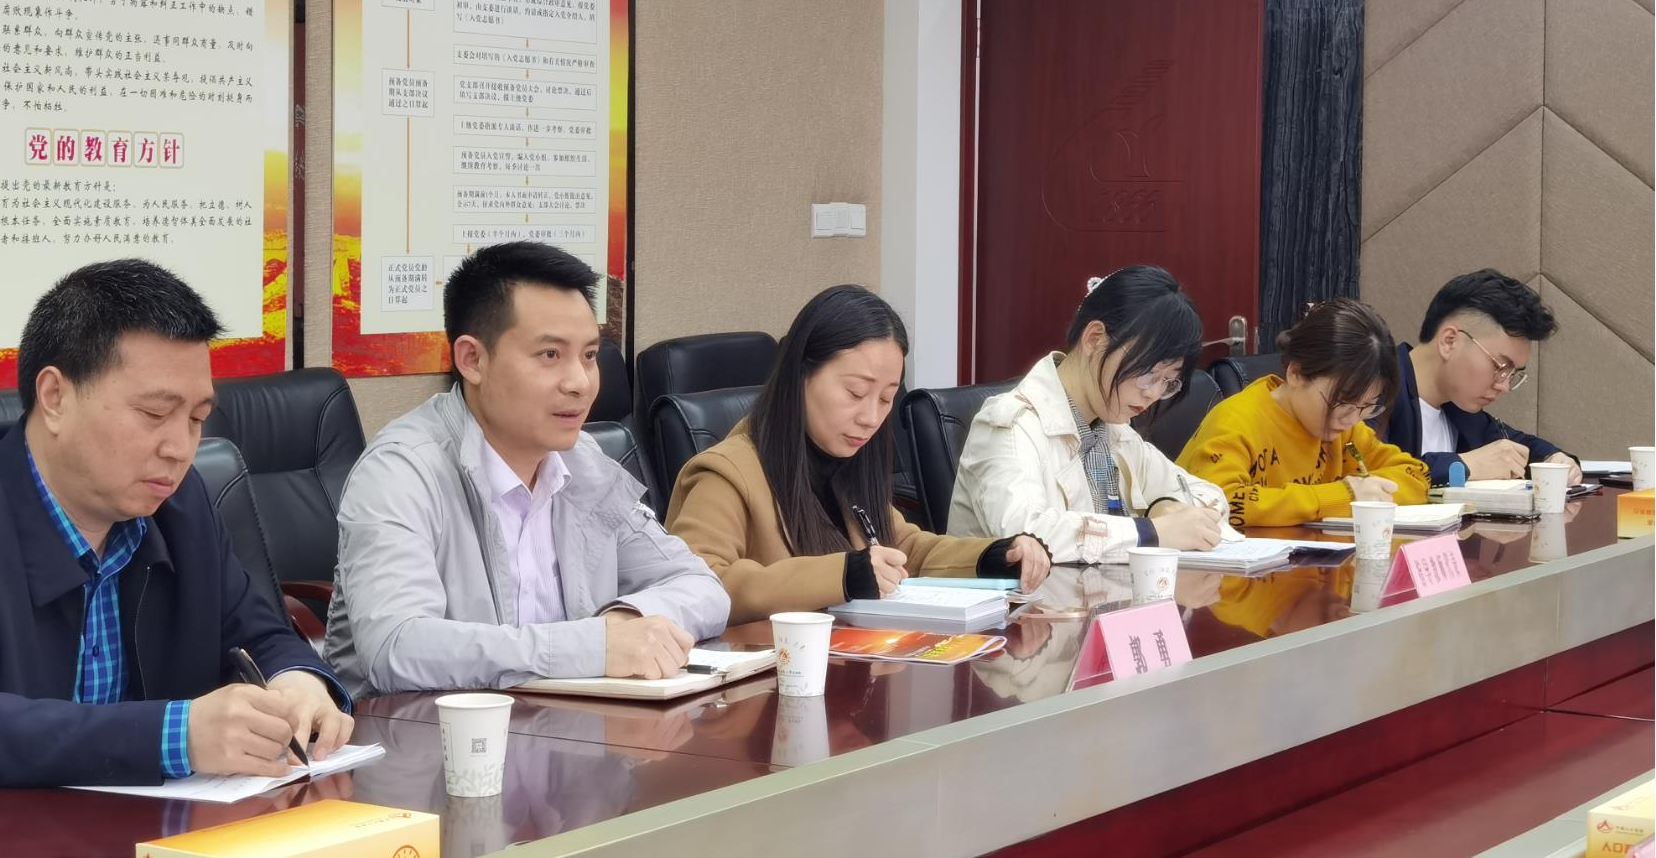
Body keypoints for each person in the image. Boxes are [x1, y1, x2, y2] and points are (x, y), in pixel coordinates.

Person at [0, 260, 353, 788]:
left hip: (164, 832)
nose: (180, 448)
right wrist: (174, 736)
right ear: (55, 397)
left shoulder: (180, 504)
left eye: (197, 419)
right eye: (155, 414)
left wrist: (297, 682)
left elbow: (259, 633)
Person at [323, 241, 728, 697]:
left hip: (561, 726)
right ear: (472, 360)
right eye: (550, 355)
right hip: (420, 733)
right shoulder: (401, 471)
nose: (580, 383)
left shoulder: (581, 461)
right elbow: (396, 648)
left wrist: (624, 622)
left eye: (589, 355)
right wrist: (589, 646)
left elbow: (701, 586)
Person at [666, 285, 1050, 626]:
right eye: (855, 393)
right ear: (800, 374)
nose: (871, 418)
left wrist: (994, 556)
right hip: (772, 674)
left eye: (886, 398)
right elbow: (700, 585)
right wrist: (843, 575)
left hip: (852, 665)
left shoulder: (847, 463)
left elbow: (905, 549)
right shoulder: (726, 474)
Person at [948, 266, 1233, 562]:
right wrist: (1151, 531)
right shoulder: (1012, 425)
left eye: (1168, 381)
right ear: (1095, 339)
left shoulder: (1113, 429)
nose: (1153, 393)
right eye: (1149, 374)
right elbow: (1024, 536)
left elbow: (1211, 499)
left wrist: (1163, 505)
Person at [1178, 297, 1430, 528]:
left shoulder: (1346, 430)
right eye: (1342, 401)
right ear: (1296, 373)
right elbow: (1220, 504)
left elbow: (1416, 475)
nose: (1352, 419)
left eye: (1367, 405)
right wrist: (1341, 496)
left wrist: (1369, 492)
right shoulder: (1237, 421)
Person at [1381, 269, 1580, 485]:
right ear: (1449, 341)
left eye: (1512, 374)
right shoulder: (1374, 391)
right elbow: (1371, 475)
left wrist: (1556, 459)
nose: (1504, 386)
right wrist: (1465, 465)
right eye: (1500, 366)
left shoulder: (1458, 408)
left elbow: (1519, 446)